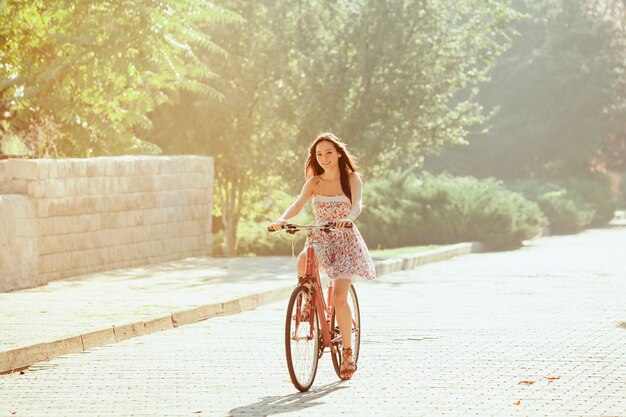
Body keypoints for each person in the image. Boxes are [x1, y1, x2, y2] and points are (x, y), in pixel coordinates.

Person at [268, 132, 376, 381]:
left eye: (328, 152)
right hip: (321, 237)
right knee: (303, 258)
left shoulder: (352, 179)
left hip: (345, 241)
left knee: (339, 297)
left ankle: (347, 352)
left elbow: (357, 204)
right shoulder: (314, 183)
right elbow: (297, 205)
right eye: (319, 154)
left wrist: (347, 219)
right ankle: (307, 297)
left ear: (339, 153)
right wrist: (282, 220)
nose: (324, 158)